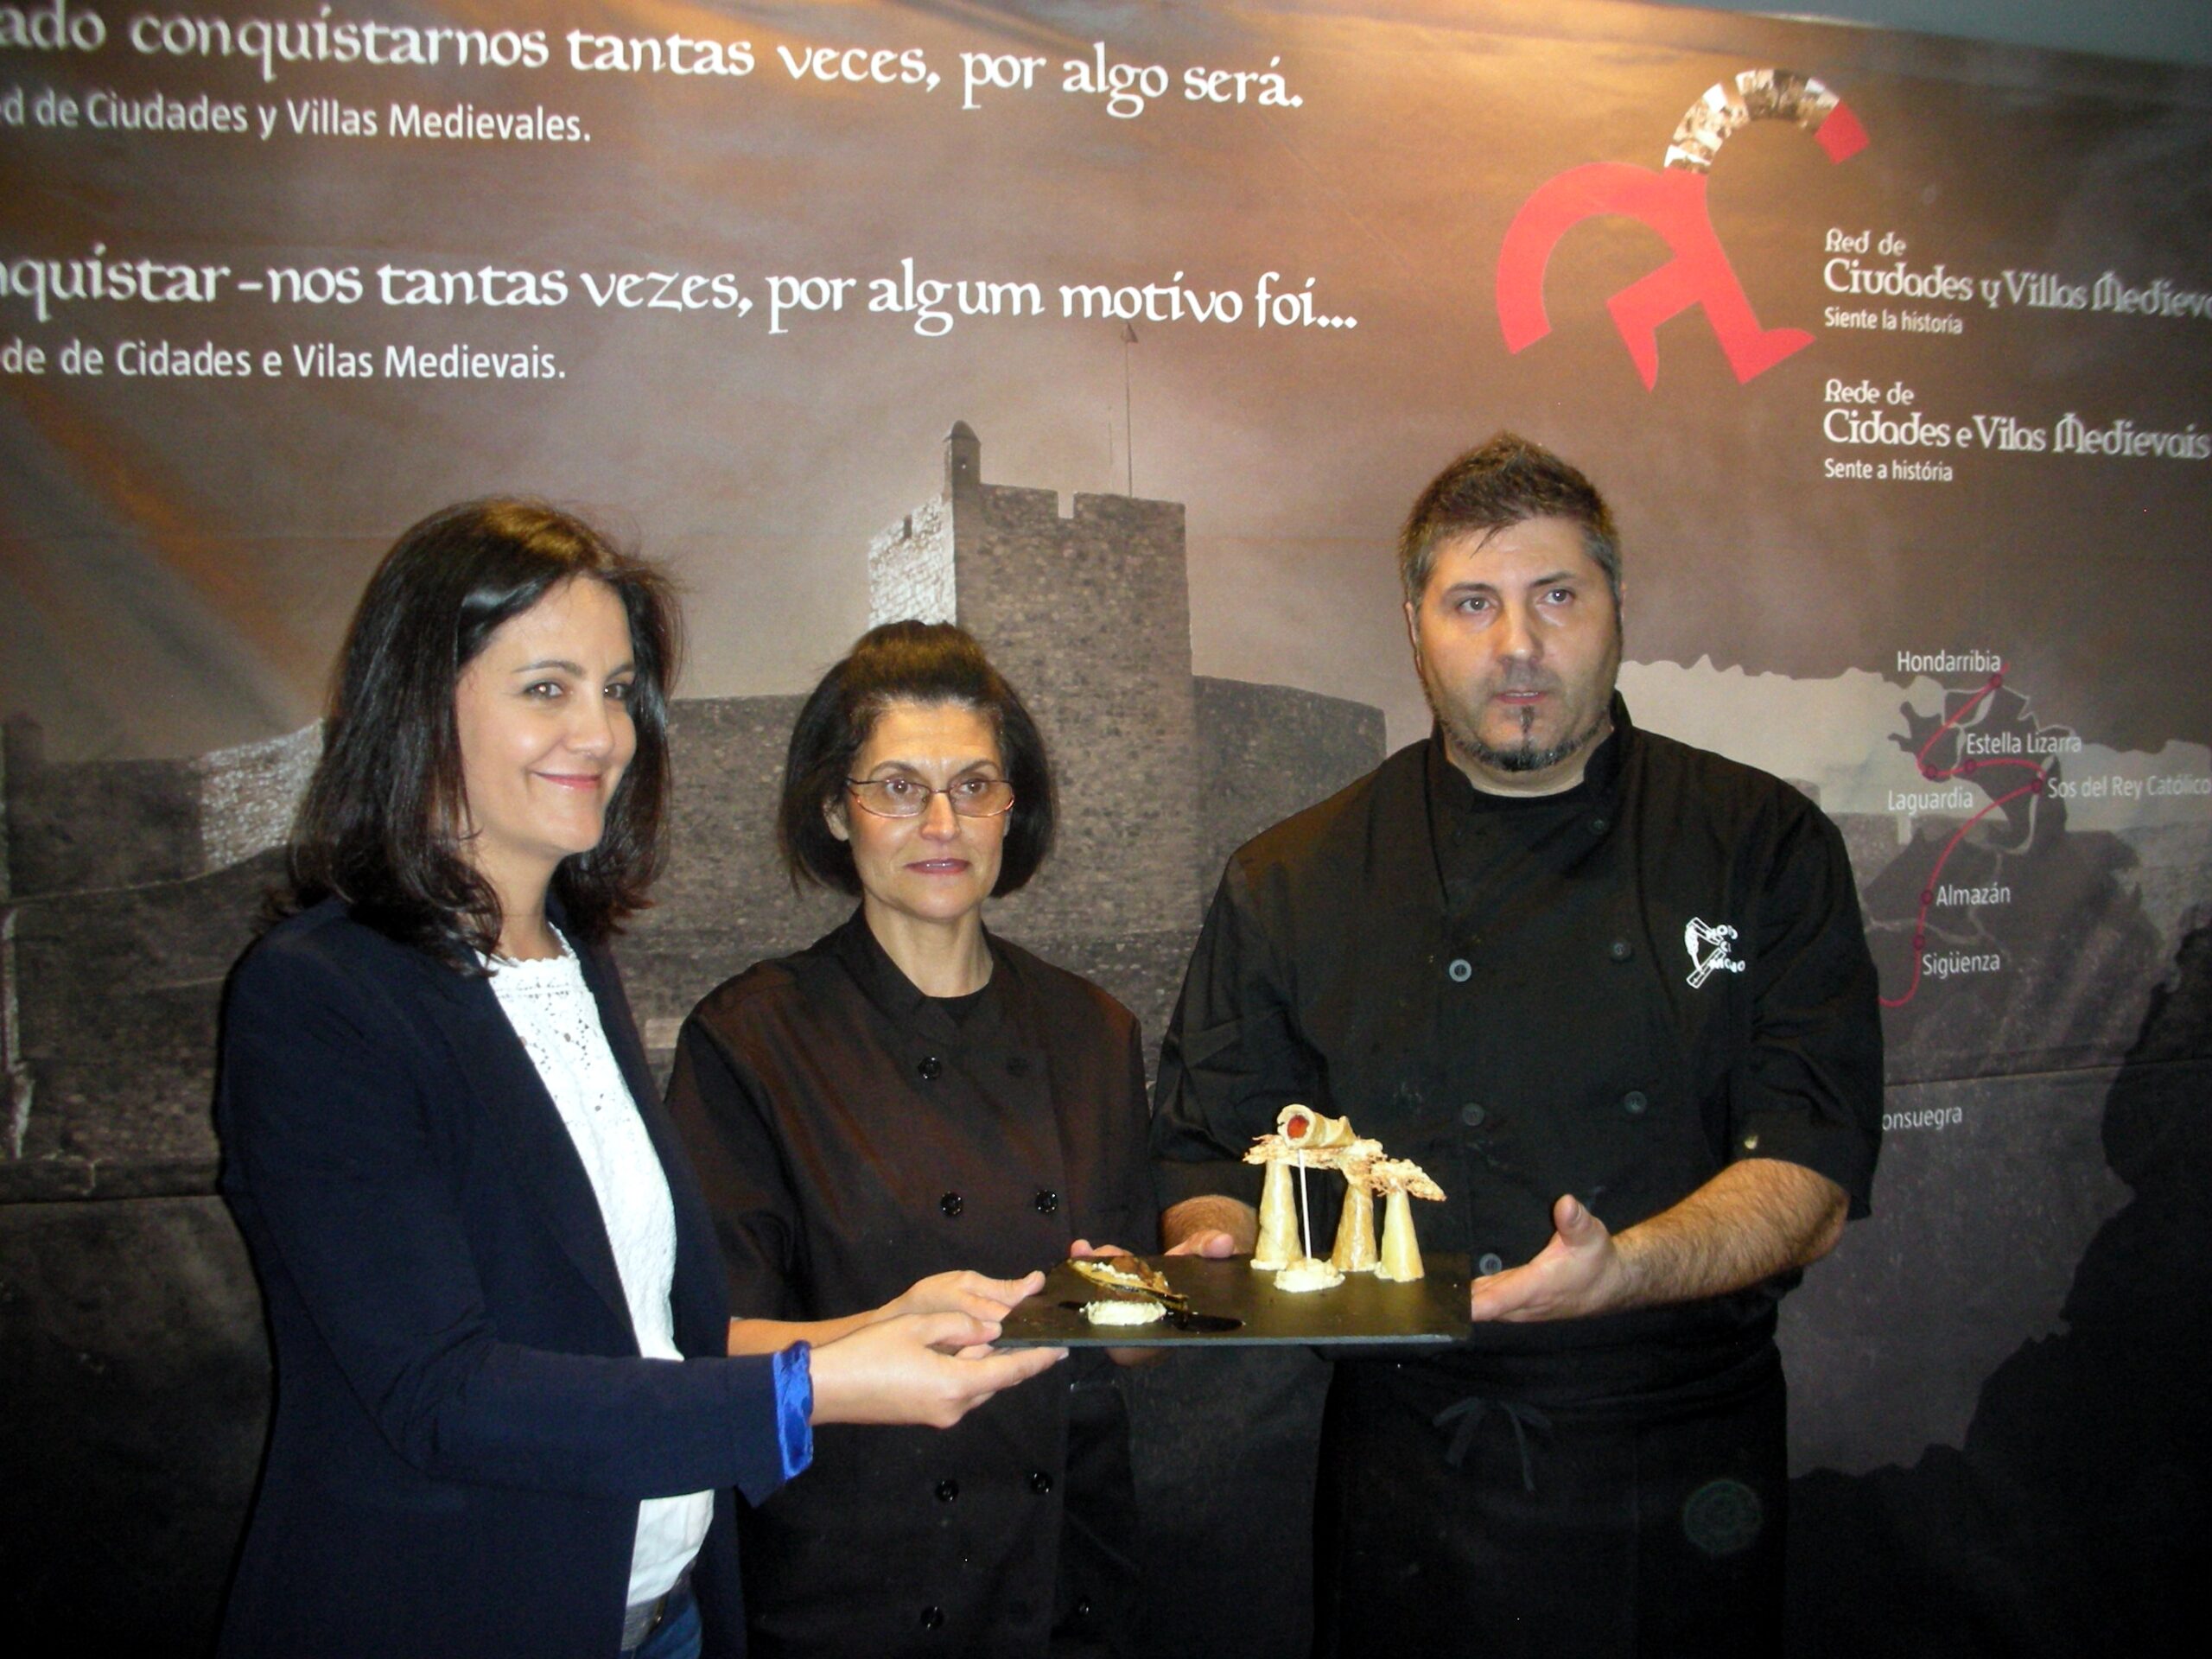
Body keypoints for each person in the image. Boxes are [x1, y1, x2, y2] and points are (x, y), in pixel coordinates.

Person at [214, 503, 1064, 1659]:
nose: (602, 733)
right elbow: (445, 1394)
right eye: (547, 688)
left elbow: (648, 1340)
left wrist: (878, 1324)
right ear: (419, 702)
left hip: (667, 1617)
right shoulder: (323, 997)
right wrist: (817, 1391)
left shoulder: (574, 964)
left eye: (618, 691)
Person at [1150, 435, 1882, 1656]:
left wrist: (1624, 1270)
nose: (1518, 646)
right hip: (1407, 1464)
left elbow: (1808, 1174)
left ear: (1615, 608)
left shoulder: (1760, 842)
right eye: (1472, 604)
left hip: (1681, 1466)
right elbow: (1215, 1149)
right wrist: (1215, 1246)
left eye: (1556, 596)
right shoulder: (1295, 876)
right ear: (1415, 627)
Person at [666, 621, 1163, 1658]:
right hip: (854, 1583)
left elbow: (1124, 1339)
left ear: (1012, 808)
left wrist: (1159, 1297)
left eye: (974, 786)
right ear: (833, 809)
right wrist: (885, 1327)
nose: (942, 822)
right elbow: (709, 1346)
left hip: (1067, 1577)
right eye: (898, 787)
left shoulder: (1093, 1030)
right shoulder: (753, 1039)